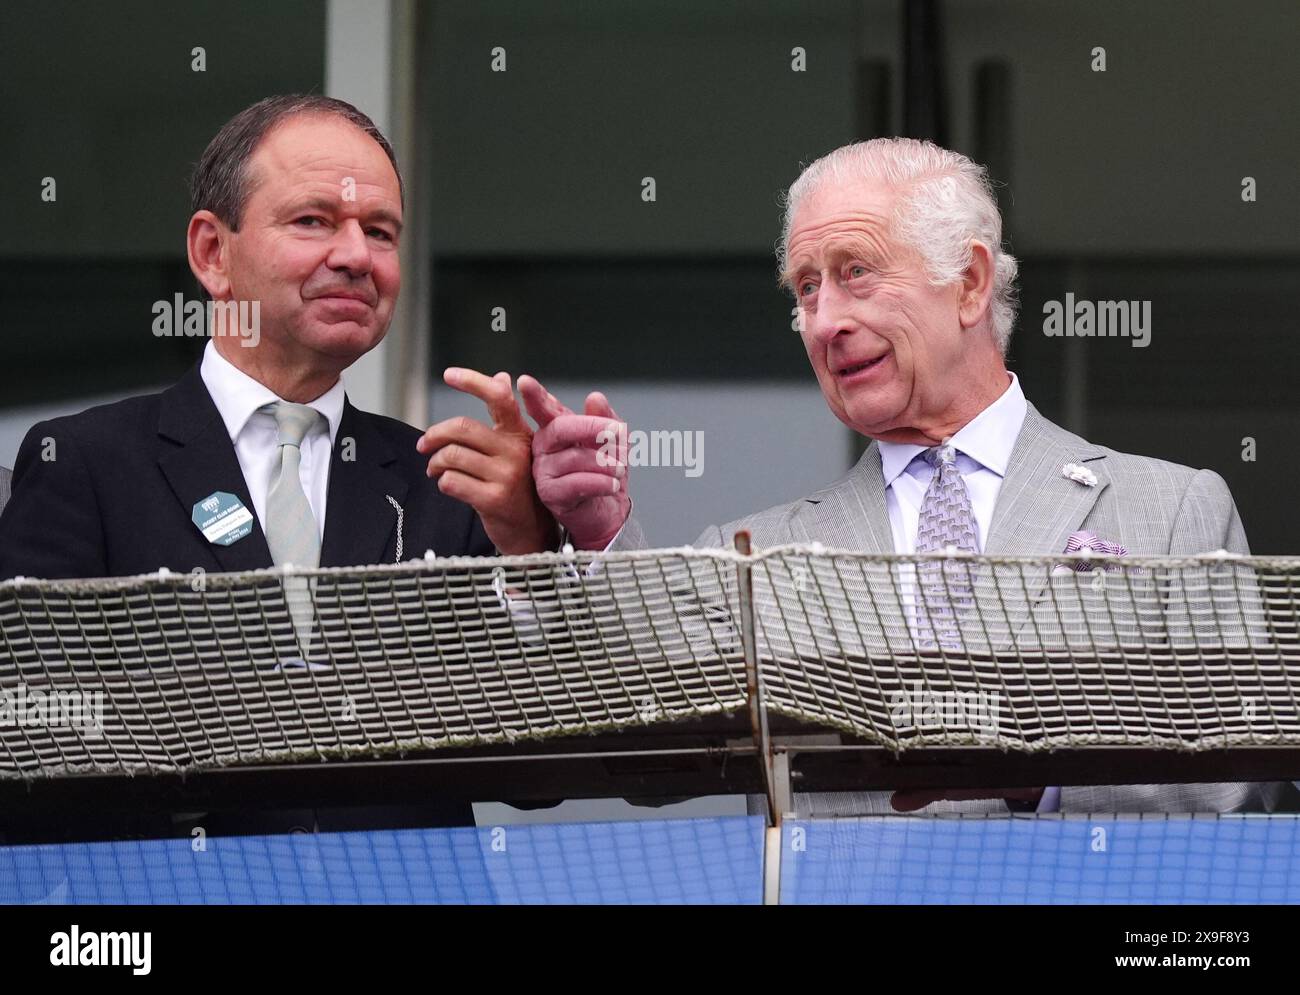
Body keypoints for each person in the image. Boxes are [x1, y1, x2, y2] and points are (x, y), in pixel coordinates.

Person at [518, 137, 1282, 816]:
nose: (823, 321)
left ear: (970, 283)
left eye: (856, 273)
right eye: (807, 288)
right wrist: (600, 533)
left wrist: (1037, 776)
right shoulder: (752, 554)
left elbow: (1242, 789)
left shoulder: (1174, 509)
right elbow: (651, 766)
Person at [0, 94, 557, 838]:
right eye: (314, 221)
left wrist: (530, 549)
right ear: (212, 253)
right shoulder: (87, 464)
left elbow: (540, 776)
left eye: (380, 232)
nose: (357, 255)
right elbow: (27, 746)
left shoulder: (447, 482)